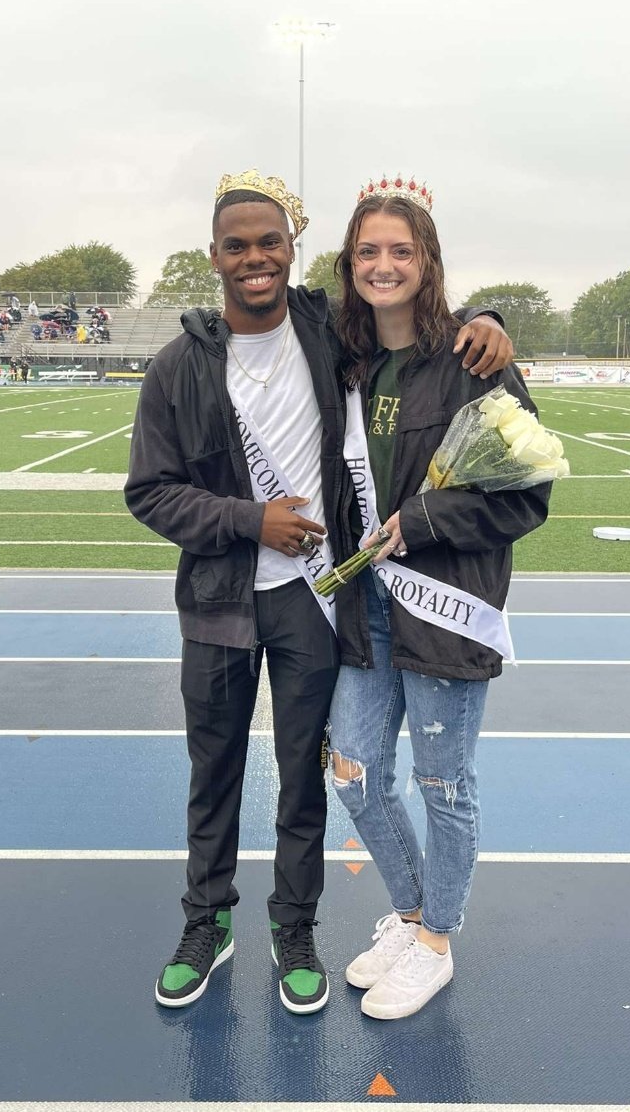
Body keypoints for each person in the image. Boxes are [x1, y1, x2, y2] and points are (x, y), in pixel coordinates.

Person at [125, 170, 513, 1016]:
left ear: (294, 251)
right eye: (237, 245)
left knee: (305, 775)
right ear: (214, 255)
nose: (255, 258)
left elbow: (412, 307)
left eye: (270, 242)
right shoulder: (179, 366)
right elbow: (148, 493)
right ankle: (206, 924)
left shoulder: (326, 332)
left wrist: (489, 317)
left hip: (316, 601)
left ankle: (294, 928)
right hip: (221, 602)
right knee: (215, 771)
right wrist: (248, 519)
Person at [326, 177, 551, 1020]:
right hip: (366, 607)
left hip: (443, 603)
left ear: (428, 260)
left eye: (400, 250)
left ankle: (436, 943)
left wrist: (419, 521)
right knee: (353, 769)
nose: (383, 266)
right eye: (367, 252)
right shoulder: (343, 360)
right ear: (349, 264)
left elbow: (526, 495)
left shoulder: (473, 361)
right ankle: (414, 913)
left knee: (442, 781)